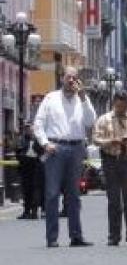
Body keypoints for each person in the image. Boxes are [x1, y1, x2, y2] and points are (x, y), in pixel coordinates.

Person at [33, 67, 97, 248]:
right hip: (55, 148)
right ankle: (52, 238)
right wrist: (45, 143)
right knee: (52, 194)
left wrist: (84, 98)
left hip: (77, 148)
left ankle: (76, 236)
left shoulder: (82, 100)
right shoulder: (50, 98)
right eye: (68, 77)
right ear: (62, 78)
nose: (71, 80)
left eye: (74, 78)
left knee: (74, 195)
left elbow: (91, 121)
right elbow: (38, 123)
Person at [93, 91, 127, 246]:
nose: (121, 108)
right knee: (114, 201)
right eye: (118, 106)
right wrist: (111, 141)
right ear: (113, 104)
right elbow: (95, 138)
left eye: (123, 106)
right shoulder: (104, 119)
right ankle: (114, 236)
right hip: (111, 161)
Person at [15, 122, 44, 220]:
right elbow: (17, 152)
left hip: (36, 167)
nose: (29, 131)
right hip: (25, 167)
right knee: (26, 190)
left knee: (35, 190)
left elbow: (42, 152)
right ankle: (26, 211)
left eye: (30, 129)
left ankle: (34, 211)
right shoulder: (22, 140)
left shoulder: (39, 140)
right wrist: (22, 156)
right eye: (27, 129)